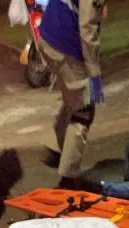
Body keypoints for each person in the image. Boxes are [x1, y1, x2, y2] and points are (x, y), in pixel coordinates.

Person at [37, 0, 108, 189]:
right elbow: (87, 29)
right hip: (65, 45)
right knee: (83, 111)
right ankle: (68, 179)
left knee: (73, 98)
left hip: (48, 38)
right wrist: (94, 73)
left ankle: (59, 150)